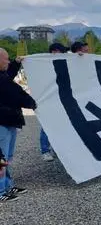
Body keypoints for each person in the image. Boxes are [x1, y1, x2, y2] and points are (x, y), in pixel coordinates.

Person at [0, 48, 37, 202]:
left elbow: (9, 76)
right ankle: (1, 191)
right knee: (1, 158)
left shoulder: (3, 75)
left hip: (8, 120)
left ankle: (7, 186)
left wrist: (16, 63)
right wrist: (32, 102)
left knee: (6, 156)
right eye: (6, 59)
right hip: (2, 122)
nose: (8, 62)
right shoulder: (1, 79)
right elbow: (15, 93)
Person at [39, 43, 69, 161]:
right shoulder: (44, 64)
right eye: (61, 51)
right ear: (54, 51)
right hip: (49, 100)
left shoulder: (65, 62)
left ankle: (57, 150)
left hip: (63, 99)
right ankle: (45, 150)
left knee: (61, 126)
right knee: (47, 125)